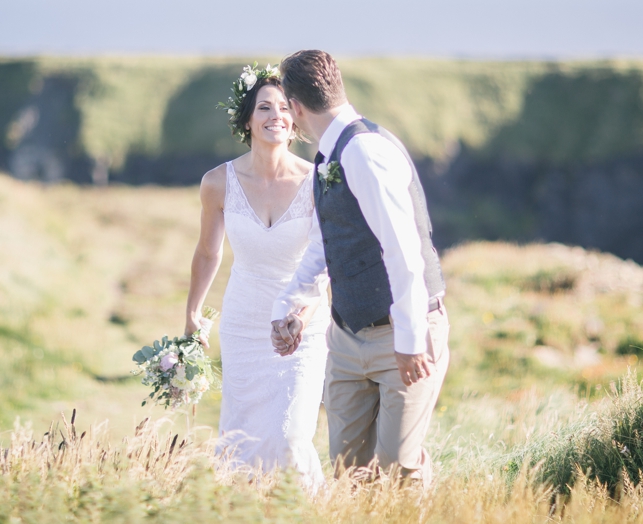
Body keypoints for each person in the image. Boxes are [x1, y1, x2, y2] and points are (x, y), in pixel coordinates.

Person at [270, 50, 449, 486]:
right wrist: (290, 303)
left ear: (294, 108)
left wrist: (408, 339)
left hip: (401, 336)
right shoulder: (327, 155)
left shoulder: (365, 152)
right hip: (347, 340)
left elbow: (402, 250)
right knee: (349, 476)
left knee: (398, 473)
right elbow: (325, 241)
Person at [183, 64, 330, 486]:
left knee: (289, 438)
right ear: (246, 118)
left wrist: (300, 316)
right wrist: (192, 313)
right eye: (264, 107)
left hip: (301, 327)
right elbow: (208, 252)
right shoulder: (218, 183)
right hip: (243, 325)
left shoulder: (317, 182)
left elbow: (326, 265)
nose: (276, 116)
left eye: (285, 108)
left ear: (296, 117)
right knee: (241, 439)